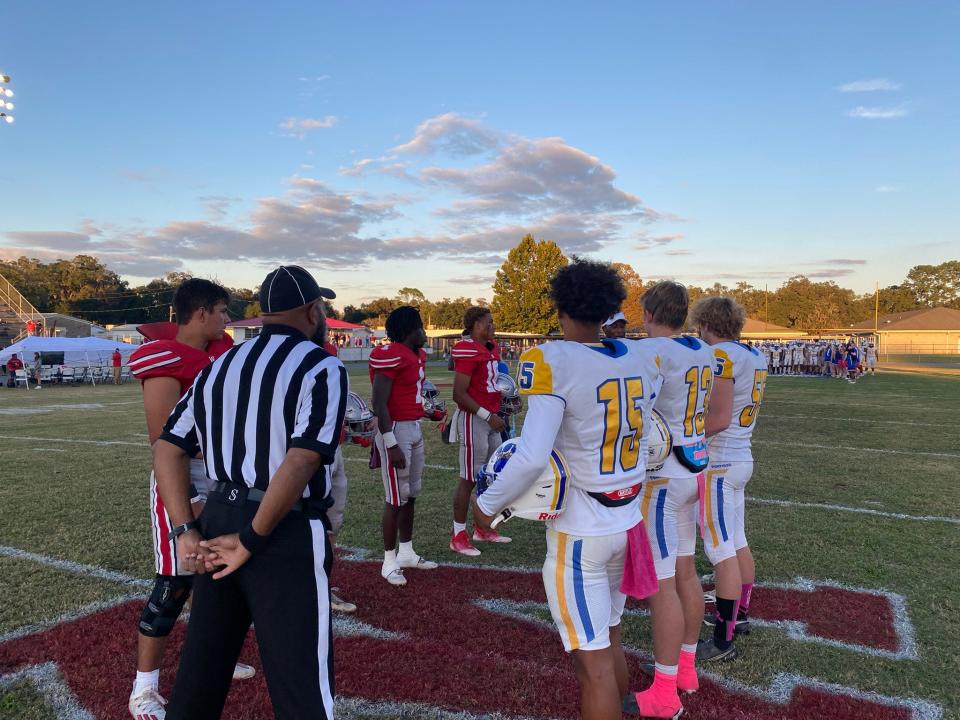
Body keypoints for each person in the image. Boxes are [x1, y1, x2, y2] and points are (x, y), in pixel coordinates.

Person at [154, 265, 347, 720]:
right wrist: (254, 539)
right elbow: (301, 459)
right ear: (311, 309)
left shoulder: (220, 364)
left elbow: (167, 448)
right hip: (283, 527)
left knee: (201, 673)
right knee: (302, 685)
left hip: (219, 517)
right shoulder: (321, 365)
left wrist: (185, 530)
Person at [474, 259, 661, 720]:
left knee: (593, 664)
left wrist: (486, 505)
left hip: (582, 531)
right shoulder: (637, 356)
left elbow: (533, 455)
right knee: (610, 636)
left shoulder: (553, 359)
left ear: (559, 307)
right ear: (607, 308)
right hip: (627, 519)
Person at [125, 279, 253, 720]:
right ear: (200, 313)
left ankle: (209, 653)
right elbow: (164, 442)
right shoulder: (166, 358)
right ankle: (144, 688)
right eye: (222, 310)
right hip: (183, 477)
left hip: (221, 476)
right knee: (175, 581)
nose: (227, 320)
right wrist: (192, 497)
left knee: (215, 573)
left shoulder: (220, 356)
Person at [638, 281, 715, 712]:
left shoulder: (652, 352)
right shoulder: (701, 350)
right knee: (686, 573)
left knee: (662, 585)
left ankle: (665, 693)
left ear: (649, 311)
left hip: (663, 476)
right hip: (693, 467)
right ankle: (686, 668)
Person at [691, 297, 766, 661]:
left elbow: (718, 419)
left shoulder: (721, 357)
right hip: (740, 456)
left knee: (721, 552)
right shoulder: (753, 354)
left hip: (720, 462)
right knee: (736, 542)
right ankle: (742, 614)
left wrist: (682, 437)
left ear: (706, 323)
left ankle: (724, 639)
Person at [369, 306, 439, 586]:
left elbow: (410, 393)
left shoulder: (415, 355)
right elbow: (379, 403)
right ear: (410, 330)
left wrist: (426, 411)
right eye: (421, 327)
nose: (425, 333)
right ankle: (388, 561)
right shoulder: (392, 354)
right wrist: (390, 443)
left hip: (413, 426)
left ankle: (407, 552)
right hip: (395, 429)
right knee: (395, 498)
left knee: (410, 494)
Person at [450, 307, 509, 555]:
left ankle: (482, 528)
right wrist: (487, 415)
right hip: (475, 418)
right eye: (488, 322)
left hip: (492, 418)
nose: (492, 326)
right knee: (468, 479)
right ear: (475, 325)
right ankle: (458, 536)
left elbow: (490, 385)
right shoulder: (467, 349)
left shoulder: (491, 347)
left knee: (491, 475)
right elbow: (458, 394)